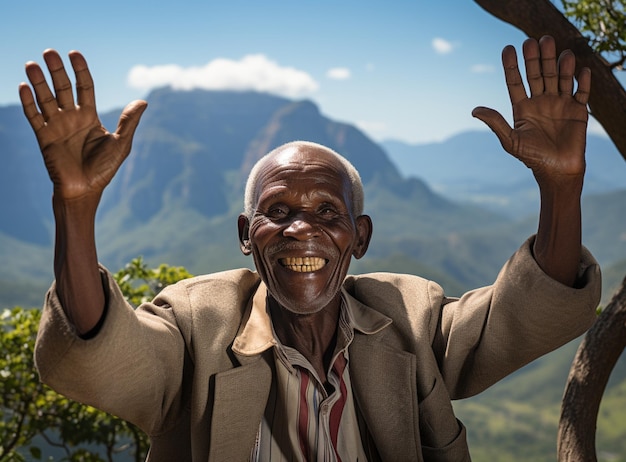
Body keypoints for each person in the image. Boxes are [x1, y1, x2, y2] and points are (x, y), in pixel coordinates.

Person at [22, 36, 601, 461]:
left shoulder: (411, 320)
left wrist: (561, 186)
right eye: (278, 213)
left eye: (328, 212)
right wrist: (74, 207)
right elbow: (101, 358)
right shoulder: (197, 328)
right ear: (247, 237)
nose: (303, 229)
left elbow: (530, 315)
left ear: (362, 236)